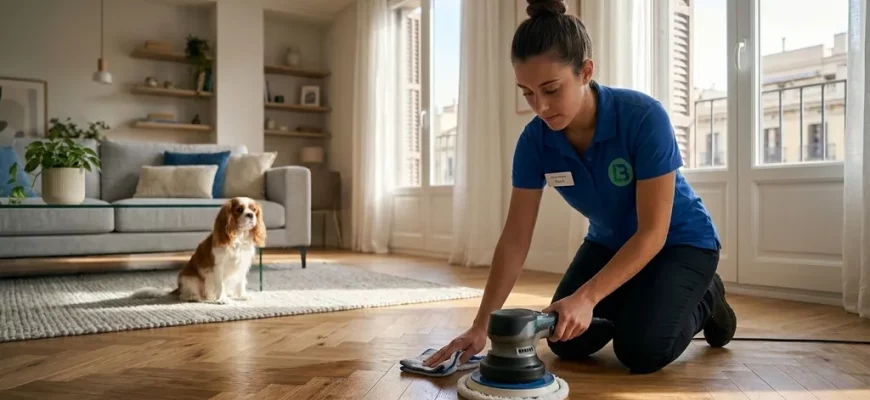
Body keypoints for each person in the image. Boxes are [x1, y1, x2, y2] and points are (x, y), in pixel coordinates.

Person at [423, 0, 737, 374]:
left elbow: (654, 232)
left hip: (680, 242)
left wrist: (588, 297)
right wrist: (481, 326)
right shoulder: (534, 143)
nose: (539, 106)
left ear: (586, 71)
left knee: (641, 350)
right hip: (609, 243)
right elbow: (515, 237)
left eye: (551, 90)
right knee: (564, 340)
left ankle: (709, 295)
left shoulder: (643, 117)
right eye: (526, 92)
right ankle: (643, 296)